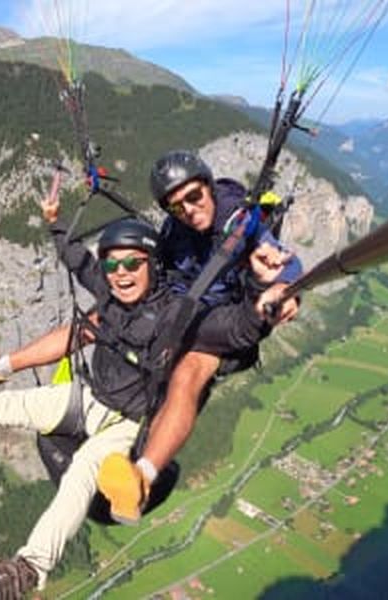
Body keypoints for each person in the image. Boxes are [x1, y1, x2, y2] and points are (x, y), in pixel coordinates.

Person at [0, 189, 288, 599]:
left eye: (132, 264)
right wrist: (55, 223)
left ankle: (23, 572)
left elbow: (227, 330)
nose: (120, 272)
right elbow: (78, 260)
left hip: (127, 425)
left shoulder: (177, 316)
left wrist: (260, 306)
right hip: (87, 397)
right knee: (6, 405)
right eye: (114, 265)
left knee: (85, 467)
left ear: (153, 266)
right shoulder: (109, 296)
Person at [96, 150, 303, 524]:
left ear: (208, 187)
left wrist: (283, 286)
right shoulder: (175, 232)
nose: (189, 210)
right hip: (185, 313)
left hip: (228, 320)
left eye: (194, 197)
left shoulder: (237, 218)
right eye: (176, 206)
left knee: (188, 373)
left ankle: (141, 478)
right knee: (130, 342)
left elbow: (278, 256)